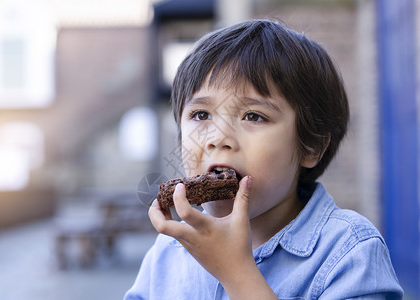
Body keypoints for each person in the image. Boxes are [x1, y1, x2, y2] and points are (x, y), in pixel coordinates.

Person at [124, 19, 403, 299]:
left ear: (311, 146)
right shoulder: (168, 252)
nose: (218, 138)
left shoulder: (350, 252)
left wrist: (236, 273)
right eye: (201, 115)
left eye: (253, 116)